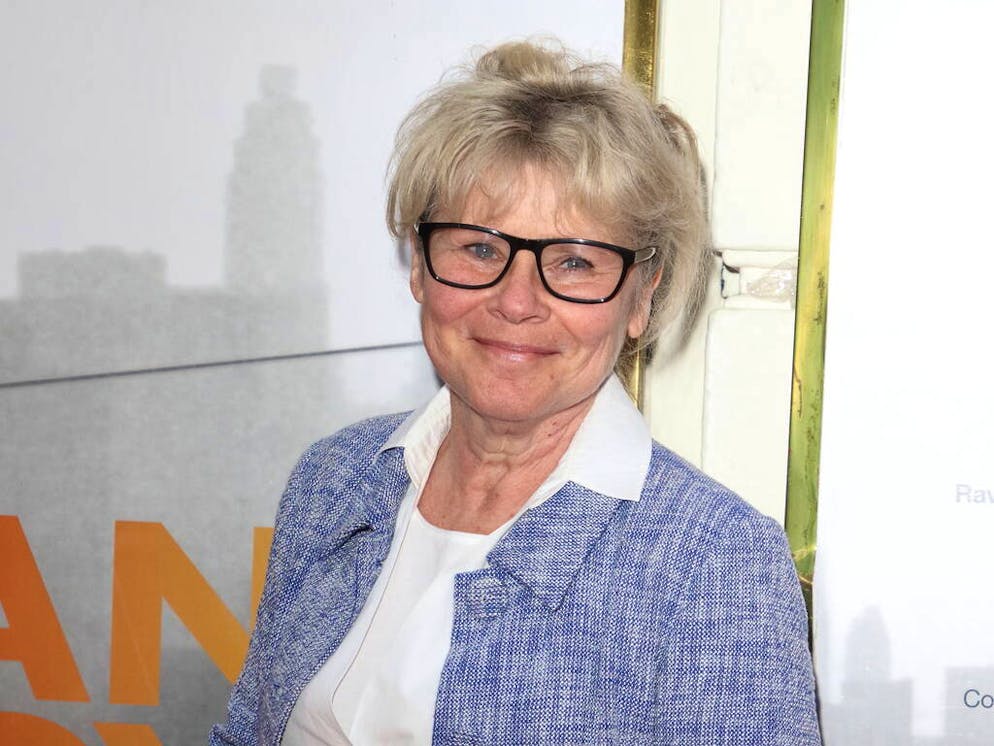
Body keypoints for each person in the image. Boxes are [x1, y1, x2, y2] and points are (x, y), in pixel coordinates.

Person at [211, 40, 820, 746]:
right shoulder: (335, 480)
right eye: (479, 249)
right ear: (419, 264)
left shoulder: (714, 562)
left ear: (641, 297)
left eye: (575, 262)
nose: (516, 301)